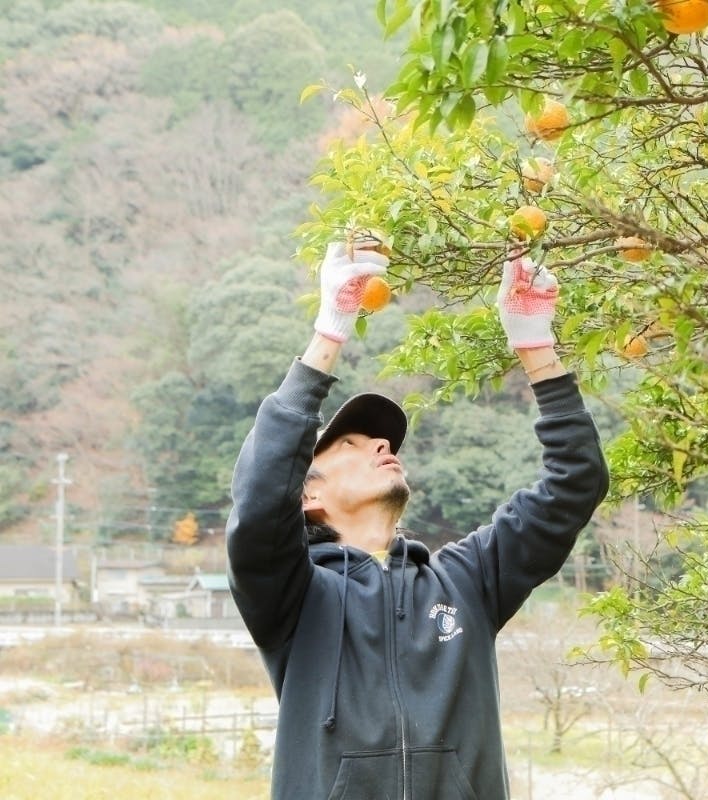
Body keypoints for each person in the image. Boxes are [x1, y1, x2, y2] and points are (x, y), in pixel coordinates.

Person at [225, 237, 609, 800]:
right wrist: (331, 328)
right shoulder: (292, 597)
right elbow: (259, 502)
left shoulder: (468, 580)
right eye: (353, 444)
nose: (382, 443)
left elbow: (575, 485)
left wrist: (535, 347)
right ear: (308, 494)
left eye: (381, 439)